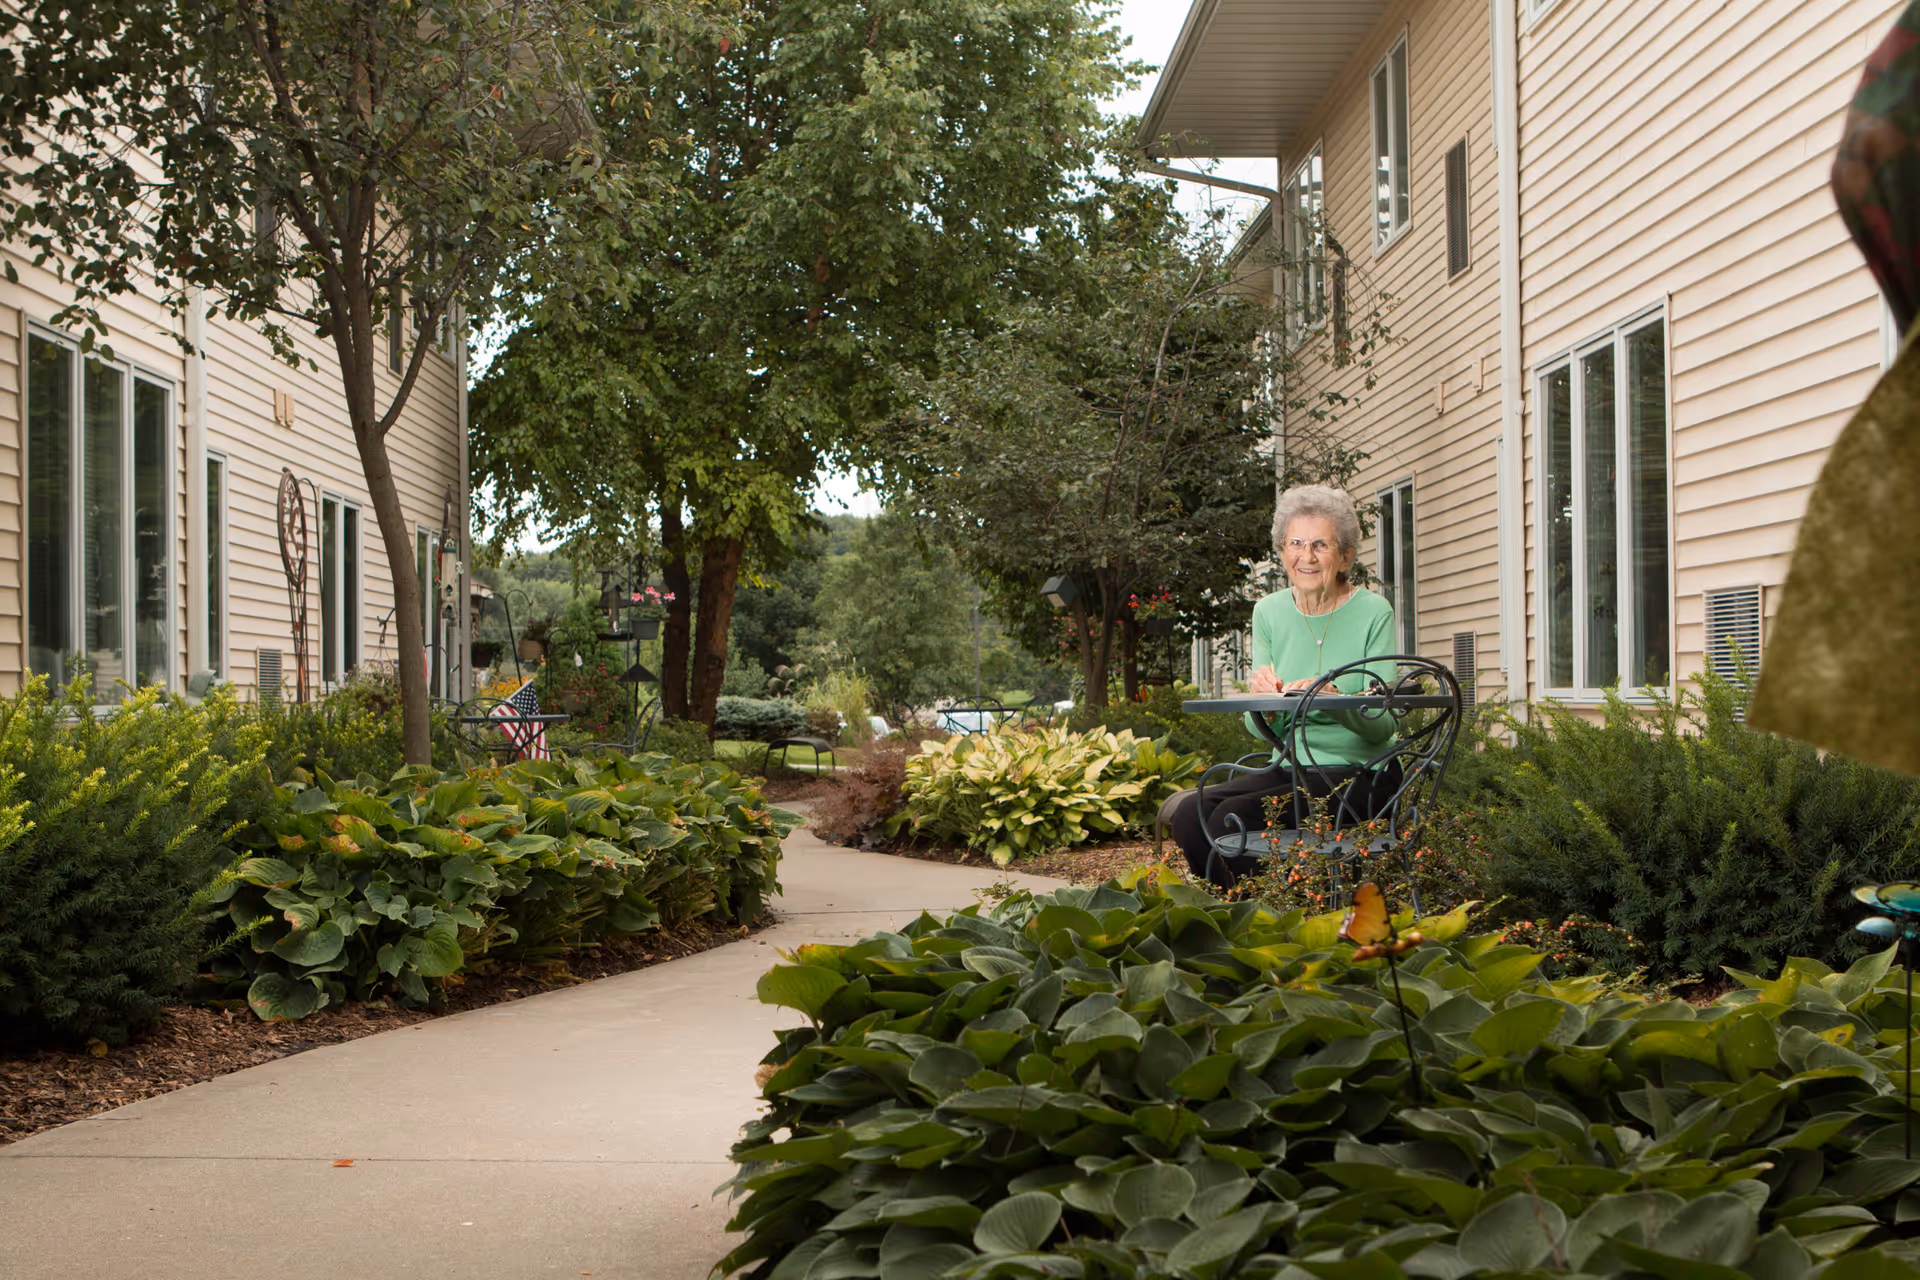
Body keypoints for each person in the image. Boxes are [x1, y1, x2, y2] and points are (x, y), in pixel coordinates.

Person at [1168, 483, 1401, 886]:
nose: (1305, 556)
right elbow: (1256, 727)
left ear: (1345, 556)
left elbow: (1384, 725)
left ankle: (1280, 913)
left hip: (1363, 775)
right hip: (1292, 767)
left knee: (1229, 819)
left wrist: (1337, 701)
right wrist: (1267, 705)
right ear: (1281, 552)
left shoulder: (1373, 612)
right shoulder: (1269, 612)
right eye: (1295, 543)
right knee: (1189, 814)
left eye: (1320, 545)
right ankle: (1244, 911)